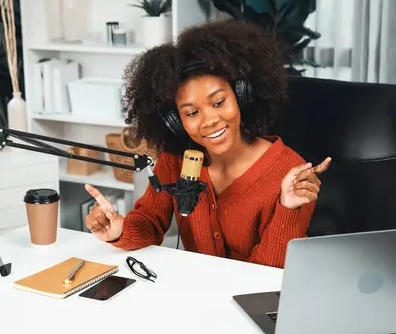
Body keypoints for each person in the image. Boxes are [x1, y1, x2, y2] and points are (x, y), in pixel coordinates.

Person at [84, 19, 331, 269]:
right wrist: (119, 229)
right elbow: (150, 221)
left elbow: (271, 273)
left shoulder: (291, 174)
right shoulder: (176, 159)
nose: (209, 121)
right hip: (197, 292)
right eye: (191, 113)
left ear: (241, 96)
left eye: (218, 102)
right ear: (175, 122)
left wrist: (287, 208)